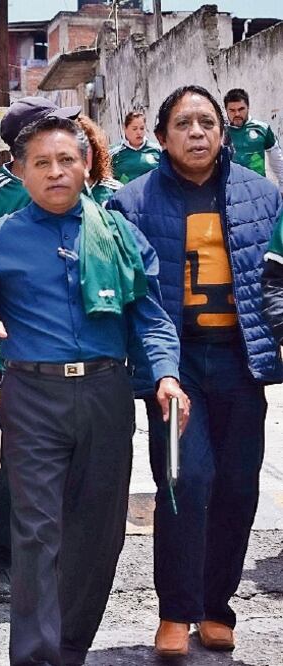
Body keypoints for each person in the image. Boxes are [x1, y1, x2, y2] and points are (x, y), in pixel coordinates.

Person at [0, 115, 187, 666]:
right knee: (35, 532)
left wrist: (167, 376)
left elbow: (149, 319)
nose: (56, 172)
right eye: (42, 163)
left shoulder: (120, 234)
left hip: (106, 394)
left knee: (99, 537)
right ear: (19, 172)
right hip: (32, 399)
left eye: (67, 160)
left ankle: (69, 648)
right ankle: (35, 657)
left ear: (86, 165)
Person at [110, 85, 283, 658]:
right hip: (174, 370)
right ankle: (174, 611)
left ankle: (216, 607)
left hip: (241, 363)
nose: (198, 133)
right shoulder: (131, 204)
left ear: (224, 132)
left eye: (207, 123)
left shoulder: (263, 196)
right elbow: (129, 298)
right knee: (185, 479)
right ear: (161, 137)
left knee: (238, 484)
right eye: (183, 124)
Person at [0, 95, 80, 604]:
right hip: (12, 361)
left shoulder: (84, 194)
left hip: (72, 362)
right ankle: (3, 559)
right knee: (12, 468)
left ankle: (60, 561)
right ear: (19, 146)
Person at [223, 88, 283, 183]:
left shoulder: (263, 128)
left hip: (259, 186)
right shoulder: (221, 132)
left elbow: (276, 159)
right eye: (232, 110)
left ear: (248, 107)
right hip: (231, 189)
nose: (237, 114)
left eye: (241, 109)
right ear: (226, 110)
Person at [76, 115, 123, 205]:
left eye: (85, 147)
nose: (81, 155)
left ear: (94, 149)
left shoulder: (115, 192)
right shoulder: (55, 197)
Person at [109, 110, 162, 184]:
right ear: (125, 128)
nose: (139, 132)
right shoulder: (113, 152)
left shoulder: (157, 149)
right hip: (126, 194)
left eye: (142, 128)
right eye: (134, 129)